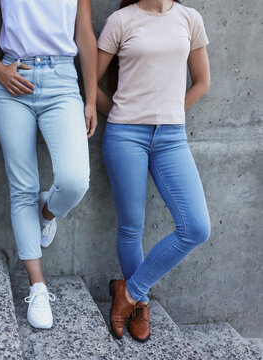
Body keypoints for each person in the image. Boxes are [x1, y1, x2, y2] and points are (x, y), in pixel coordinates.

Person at [0, 0, 97, 328]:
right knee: (22, 188)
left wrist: (92, 99)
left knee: (75, 181)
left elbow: (84, 34)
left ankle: (46, 211)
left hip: (62, 81)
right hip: (14, 78)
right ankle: (37, 286)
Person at [97, 0, 211, 342]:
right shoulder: (120, 20)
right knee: (131, 226)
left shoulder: (190, 19)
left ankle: (128, 293)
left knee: (196, 227)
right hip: (124, 135)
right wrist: (115, 113)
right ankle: (140, 305)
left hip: (172, 137)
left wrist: (170, 114)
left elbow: (202, 81)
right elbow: (91, 82)